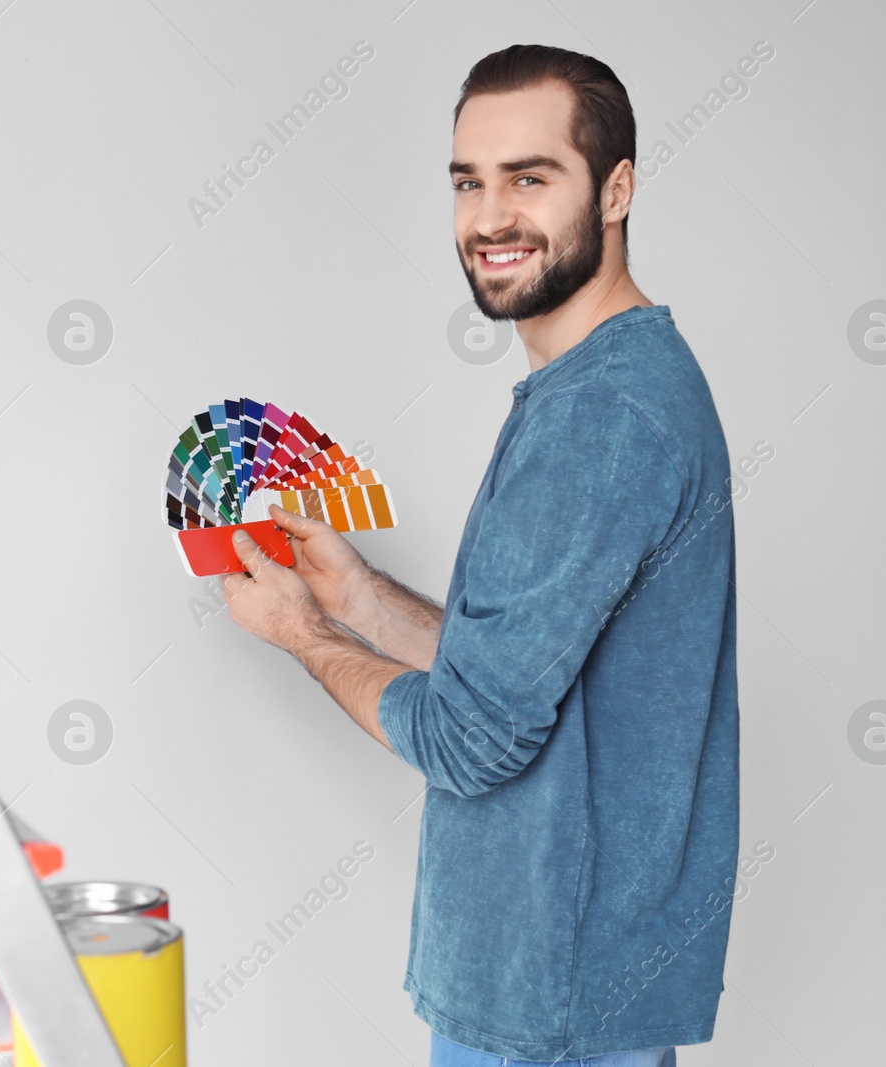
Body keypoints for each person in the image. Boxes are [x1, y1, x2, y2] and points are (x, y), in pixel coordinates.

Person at [221, 43, 738, 1067]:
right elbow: (516, 683)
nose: (490, 216)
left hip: (548, 1004)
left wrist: (302, 635)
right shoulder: (594, 387)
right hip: (555, 989)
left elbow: (468, 740)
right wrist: (359, 597)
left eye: (530, 178)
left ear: (618, 187)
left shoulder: (602, 416)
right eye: (470, 181)